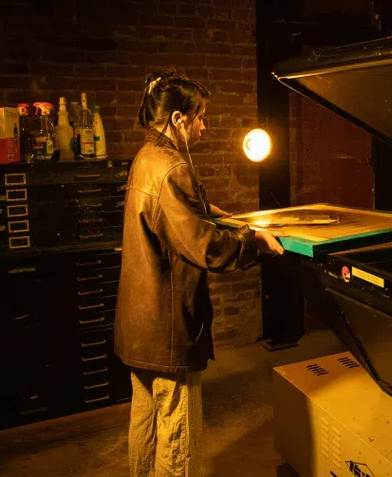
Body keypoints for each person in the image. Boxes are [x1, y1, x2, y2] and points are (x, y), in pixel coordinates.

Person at [114, 69, 284, 477]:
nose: (205, 126)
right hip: (167, 329)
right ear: (178, 119)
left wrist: (209, 211)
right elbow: (208, 249)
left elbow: (168, 216)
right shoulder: (172, 167)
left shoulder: (146, 157)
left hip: (139, 327)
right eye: (201, 116)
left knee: (146, 421)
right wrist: (251, 241)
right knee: (177, 434)